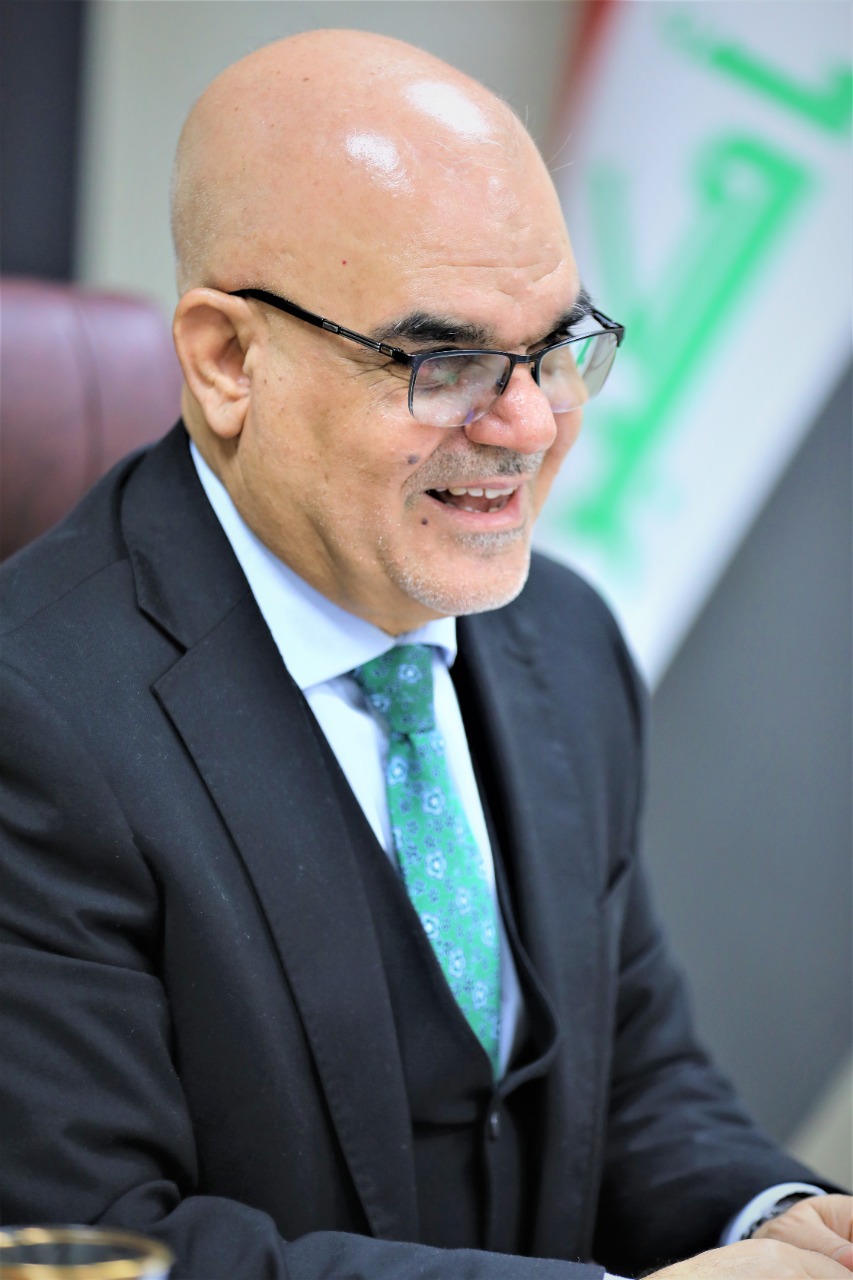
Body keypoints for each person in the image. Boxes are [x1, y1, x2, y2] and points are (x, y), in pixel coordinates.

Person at [0, 28, 850, 1280]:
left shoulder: (565, 636)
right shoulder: (31, 720)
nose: (529, 424)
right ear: (228, 359)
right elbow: (99, 1247)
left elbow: (632, 1074)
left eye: (558, 345)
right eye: (446, 361)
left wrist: (774, 1221)